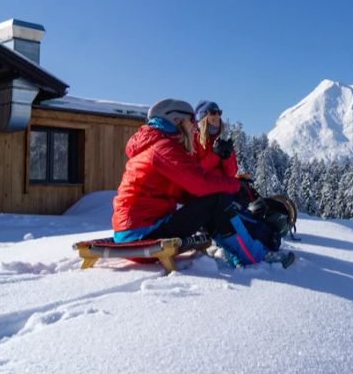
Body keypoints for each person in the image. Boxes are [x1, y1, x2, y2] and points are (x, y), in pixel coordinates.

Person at [111, 98, 289, 266]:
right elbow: (200, 183)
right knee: (217, 201)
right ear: (176, 120)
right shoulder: (163, 148)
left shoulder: (158, 145)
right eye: (191, 120)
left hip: (136, 231)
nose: (194, 125)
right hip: (142, 235)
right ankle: (256, 256)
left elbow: (187, 191)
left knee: (214, 202)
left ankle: (243, 251)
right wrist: (233, 184)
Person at [192, 100, 238, 178]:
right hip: (202, 187)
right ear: (204, 117)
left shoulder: (223, 139)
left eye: (219, 112)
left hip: (222, 186)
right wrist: (214, 155)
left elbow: (231, 174)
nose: (217, 115)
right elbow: (193, 173)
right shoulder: (193, 139)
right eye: (213, 112)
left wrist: (227, 157)